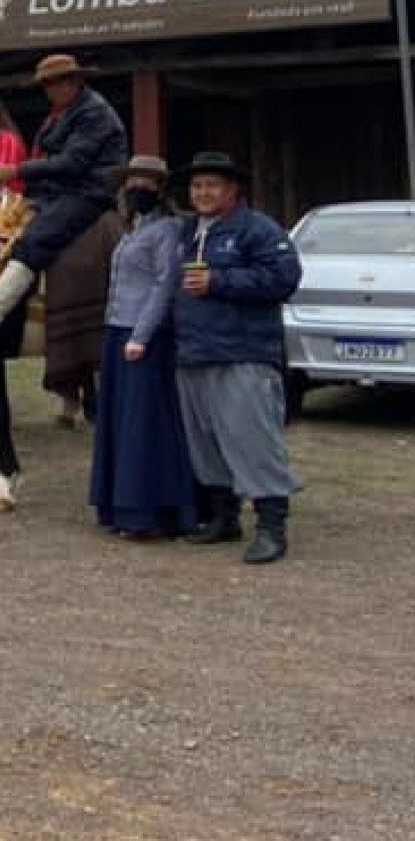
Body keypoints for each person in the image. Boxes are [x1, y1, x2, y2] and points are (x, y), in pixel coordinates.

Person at [171, 151, 303, 565]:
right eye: (197, 186)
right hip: (194, 352)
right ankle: (225, 517)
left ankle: (272, 527)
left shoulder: (257, 229)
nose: (203, 193)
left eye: (212, 185)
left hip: (242, 352)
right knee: (206, 441)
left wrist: (220, 280)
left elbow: (285, 278)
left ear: (233, 190)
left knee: (252, 439)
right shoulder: (187, 231)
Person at [0, 55, 128, 341]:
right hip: (56, 190)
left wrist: (16, 170)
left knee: (36, 238)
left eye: (53, 83)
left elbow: (72, 164)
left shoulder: (94, 113)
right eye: (45, 84)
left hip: (88, 191)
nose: (48, 90)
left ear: (73, 81)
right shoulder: (61, 112)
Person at [88, 156, 200, 540]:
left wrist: (142, 334)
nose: (137, 188)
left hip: (143, 335)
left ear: (160, 189)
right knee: (121, 421)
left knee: (144, 424)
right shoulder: (132, 229)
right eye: (132, 181)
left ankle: (152, 511)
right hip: (117, 328)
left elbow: (164, 284)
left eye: (146, 183)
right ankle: (119, 506)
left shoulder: (168, 230)